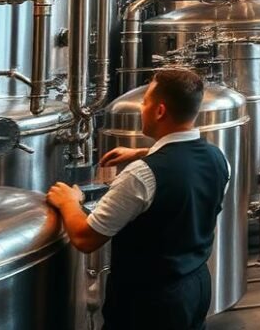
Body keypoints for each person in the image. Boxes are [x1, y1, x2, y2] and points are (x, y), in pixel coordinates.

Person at [48, 68, 229, 330]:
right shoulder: (218, 157)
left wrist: (68, 200)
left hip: (149, 303)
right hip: (196, 287)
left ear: (159, 111)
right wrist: (144, 152)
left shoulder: (142, 176)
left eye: (145, 103)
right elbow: (183, 167)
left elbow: (86, 238)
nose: (142, 108)